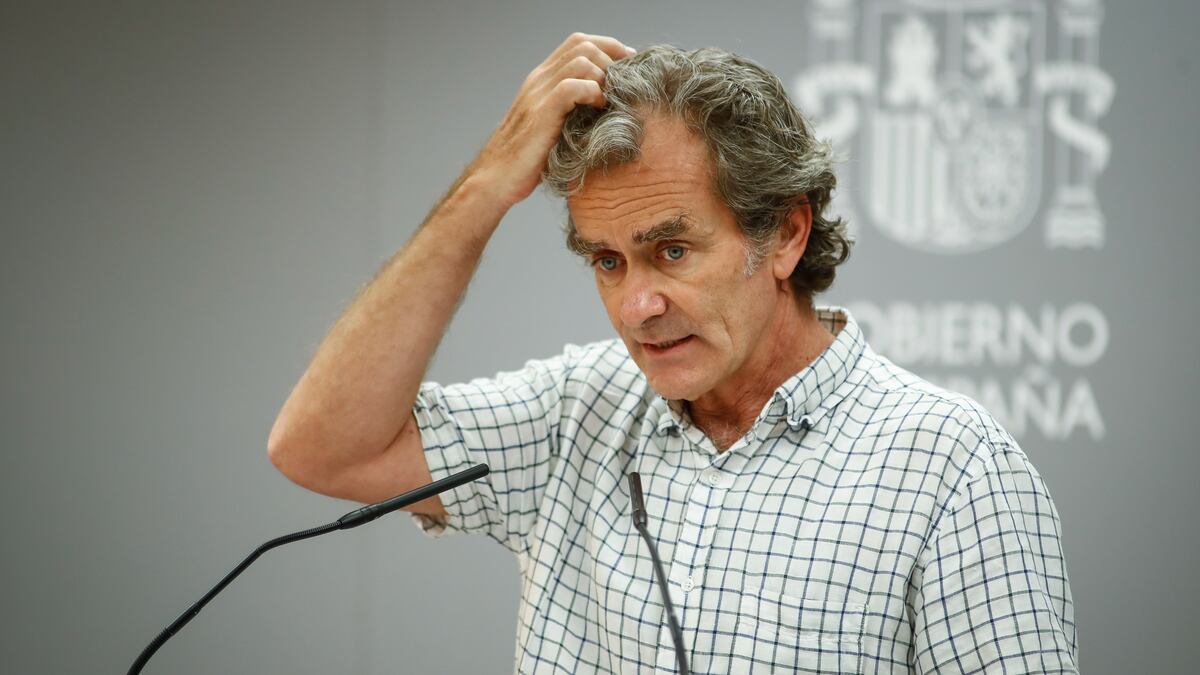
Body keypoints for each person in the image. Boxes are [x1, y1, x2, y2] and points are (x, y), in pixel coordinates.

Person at [268, 34, 1078, 673]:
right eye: (607, 261)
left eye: (673, 251)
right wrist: (485, 186)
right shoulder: (576, 410)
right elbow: (321, 446)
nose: (636, 307)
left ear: (786, 233)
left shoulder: (952, 468)